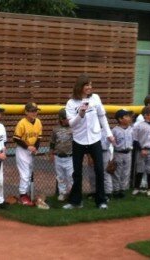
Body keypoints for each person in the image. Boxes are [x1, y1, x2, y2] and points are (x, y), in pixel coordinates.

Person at [63, 73, 114, 210]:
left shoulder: (96, 98)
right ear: (80, 87)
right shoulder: (71, 103)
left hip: (95, 139)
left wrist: (109, 134)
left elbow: (102, 117)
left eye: (90, 85)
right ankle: (76, 201)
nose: (90, 87)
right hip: (79, 140)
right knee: (77, 173)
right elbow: (72, 124)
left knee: (99, 170)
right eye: (87, 85)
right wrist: (80, 114)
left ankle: (101, 201)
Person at [13, 102, 42, 206]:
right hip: (22, 151)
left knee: (29, 174)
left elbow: (38, 137)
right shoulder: (22, 123)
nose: (35, 113)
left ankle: (27, 195)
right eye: (32, 111)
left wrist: (36, 148)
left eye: (36, 111)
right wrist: (28, 147)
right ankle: (22, 195)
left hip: (31, 150)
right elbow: (16, 138)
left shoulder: (38, 122)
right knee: (25, 175)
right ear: (26, 112)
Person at [132, 94, 150, 191]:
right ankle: (141, 185)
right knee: (141, 167)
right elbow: (136, 133)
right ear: (149, 104)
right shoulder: (141, 117)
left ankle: (148, 185)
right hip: (143, 147)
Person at [49, 108, 73, 201]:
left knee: (70, 176)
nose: (69, 120)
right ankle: (62, 193)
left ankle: (71, 193)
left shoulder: (72, 128)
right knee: (60, 177)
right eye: (67, 118)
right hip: (58, 156)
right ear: (61, 119)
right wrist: (51, 153)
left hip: (70, 157)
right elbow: (52, 142)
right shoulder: (56, 129)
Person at [87, 128, 114, 201]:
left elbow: (110, 144)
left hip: (104, 152)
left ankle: (107, 192)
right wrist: (89, 156)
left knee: (105, 173)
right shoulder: (91, 129)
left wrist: (111, 157)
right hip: (93, 152)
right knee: (92, 174)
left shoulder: (107, 130)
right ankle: (94, 192)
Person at [112, 109, 133, 198]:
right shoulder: (115, 130)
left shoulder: (131, 129)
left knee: (126, 172)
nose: (129, 118)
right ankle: (116, 190)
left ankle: (122, 190)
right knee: (117, 172)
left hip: (128, 153)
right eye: (126, 116)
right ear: (120, 119)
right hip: (118, 153)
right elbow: (112, 144)